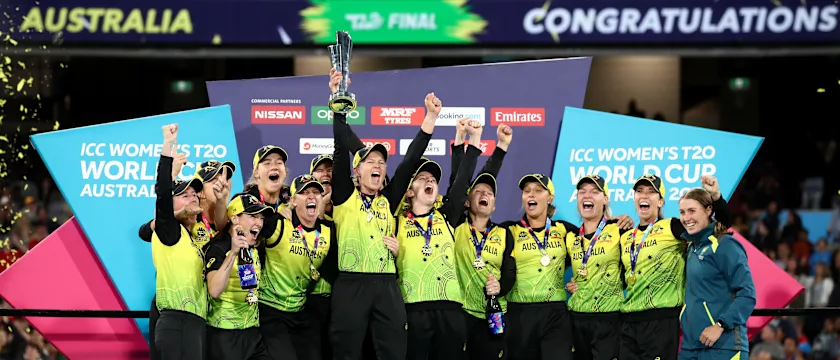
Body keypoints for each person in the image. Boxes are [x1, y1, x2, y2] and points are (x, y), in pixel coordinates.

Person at [329, 77, 442, 359]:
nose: (378, 165)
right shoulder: (344, 196)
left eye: (381, 162)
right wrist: (338, 103)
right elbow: (342, 149)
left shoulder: (388, 200)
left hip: (386, 285)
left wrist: (430, 117)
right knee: (346, 353)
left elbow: (410, 162)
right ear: (357, 171)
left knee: (393, 352)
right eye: (370, 161)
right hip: (351, 284)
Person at [393, 119, 482, 360]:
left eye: (433, 178)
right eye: (422, 178)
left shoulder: (447, 217)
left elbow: (462, 179)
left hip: (450, 308)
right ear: (410, 191)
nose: (430, 180)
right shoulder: (395, 223)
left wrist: (472, 139)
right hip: (413, 309)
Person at [620, 174, 731, 360]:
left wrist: (717, 198)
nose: (644, 196)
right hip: (627, 323)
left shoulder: (672, 226)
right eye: (639, 191)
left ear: (661, 201)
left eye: (651, 192)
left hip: (661, 321)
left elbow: (719, 226)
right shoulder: (625, 237)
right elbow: (619, 279)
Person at [138, 158, 234, 360]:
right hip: (175, 306)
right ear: (200, 190)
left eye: (224, 177)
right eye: (213, 179)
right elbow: (146, 231)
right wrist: (176, 214)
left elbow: (225, 229)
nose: (221, 182)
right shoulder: (186, 218)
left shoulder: (224, 217)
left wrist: (223, 201)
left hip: (203, 310)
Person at [450, 120, 515, 360]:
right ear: (467, 202)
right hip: (462, 314)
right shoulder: (454, 225)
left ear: (495, 204)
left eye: (490, 193)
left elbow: (510, 272)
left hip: (494, 315)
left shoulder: (504, 233)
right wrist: (498, 148)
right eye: (479, 191)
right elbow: (458, 180)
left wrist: (501, 286)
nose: (485, 193)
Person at [257, 175, 337, 360]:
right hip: (270, 310)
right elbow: (246, 227)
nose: (311, 196)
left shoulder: (328, 231)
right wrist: (278, 212)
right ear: (293, 200)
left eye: (316, 192)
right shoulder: (278, 223)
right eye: (304, 192)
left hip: (300, 311)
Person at [151, 124, 208, 360]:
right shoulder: (169, 231)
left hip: (194, 323)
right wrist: (167, 146)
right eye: (184, 195)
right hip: (177, 322)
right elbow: (163, 194)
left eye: (194, 194)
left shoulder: (192, 234)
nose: (193, 197)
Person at [679, 188, 756, 360]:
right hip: (690, 347)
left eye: (692, 211)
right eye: (682, 212)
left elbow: (747, 294)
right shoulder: (691, 247)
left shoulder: (726, 245)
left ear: (708, 211)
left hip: (723, 346)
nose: (686, 218)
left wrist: (720, 325)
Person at [564, 175, 633, 360]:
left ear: (605, 199)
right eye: (582, 192)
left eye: (595, 192)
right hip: (575, 318)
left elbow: (635, 267)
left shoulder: (620, 229)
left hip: (608, 319)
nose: (588, 196)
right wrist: (569, 284)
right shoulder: (570, 236)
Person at [204, 193, 274, 360]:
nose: (259, 222)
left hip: (253, 333)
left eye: (261, 217)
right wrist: (233, 253)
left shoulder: (254, 249)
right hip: (225, 334)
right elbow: (214, 290)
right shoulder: (219, 248)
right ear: (234, 219)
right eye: (252, 216)